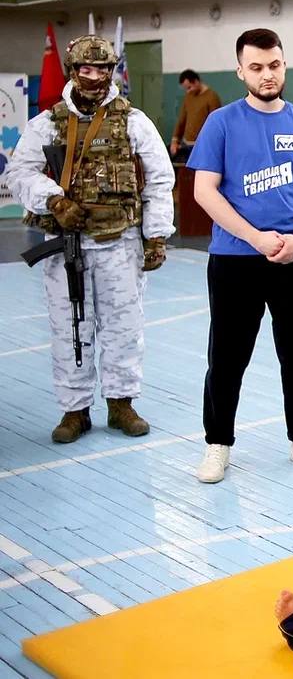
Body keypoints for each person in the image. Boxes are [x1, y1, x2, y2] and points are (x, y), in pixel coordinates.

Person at [5, 35, 174, 443]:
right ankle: (75, 409)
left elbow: (160, 180)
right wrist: (54, 201)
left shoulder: (133, 121)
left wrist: (156, 236)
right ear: (73, 71)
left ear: (112, 72)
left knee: (123, 325)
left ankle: (121, 404)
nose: (94, 77)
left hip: (121, 242)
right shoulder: (47, 122)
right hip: (67, 245)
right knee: (70, 327)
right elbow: (18, 173)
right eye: (86, 69)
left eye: (102, 70)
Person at [187, 28, 293, 484]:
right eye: (256, 67)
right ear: (240, 71)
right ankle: (218, 445)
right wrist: (254, 237)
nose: (267, 74)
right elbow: (204, 191)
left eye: (274, 65)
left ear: (284, 65)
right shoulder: (221, 123)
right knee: (228, 355)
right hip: (235, 260)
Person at [171, 69, 221, 163]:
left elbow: (215, 125)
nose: (187, 91)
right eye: (186, 89)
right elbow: (182, 120)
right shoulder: (188, 97)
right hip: (186, 145)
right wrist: (175, 140)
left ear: (196, 82)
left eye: (189, 87)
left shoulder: (212, 97)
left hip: (203, 146)